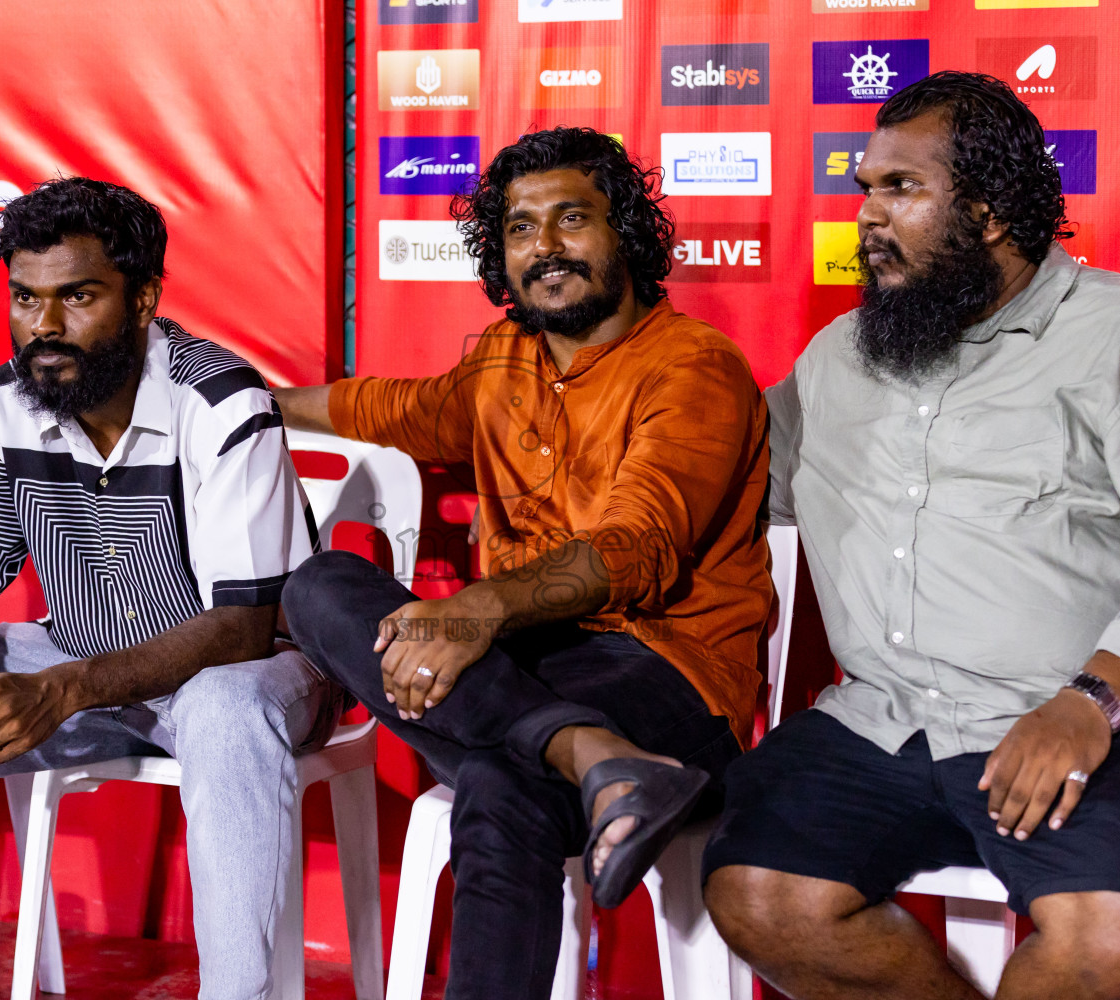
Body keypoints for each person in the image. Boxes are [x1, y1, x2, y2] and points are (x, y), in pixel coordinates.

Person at [700, 71, 1120, 1000]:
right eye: (864, 190)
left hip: (1093, 719)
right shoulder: (839, 356)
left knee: (1113, 938)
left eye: (901, 189)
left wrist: (1090, 704)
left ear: (991, 214)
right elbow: (731, 483)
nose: (867, 217)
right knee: (757, 895)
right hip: (884, 720)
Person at [276, 126, 771, 1000]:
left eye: (571, 219)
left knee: (501, 780)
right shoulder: (503, 364)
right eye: (519, 228)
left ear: (629, 233)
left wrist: (474, 610)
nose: (544, 248)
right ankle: (592, 757)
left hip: (669, 674)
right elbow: (382, 407)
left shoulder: (695, 367)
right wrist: (236, 401)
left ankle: (590, 752)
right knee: (318, 585)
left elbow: (638, 548)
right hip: (523, 669)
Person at [0, 177, 336, 1000]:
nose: (44, 327)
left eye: (78, 296)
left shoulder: (221, 402)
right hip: (88, 659)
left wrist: (62, 690)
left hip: (254, 668)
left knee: (223, 707)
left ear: (144, 299)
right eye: (25, 297)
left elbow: (243, 628)